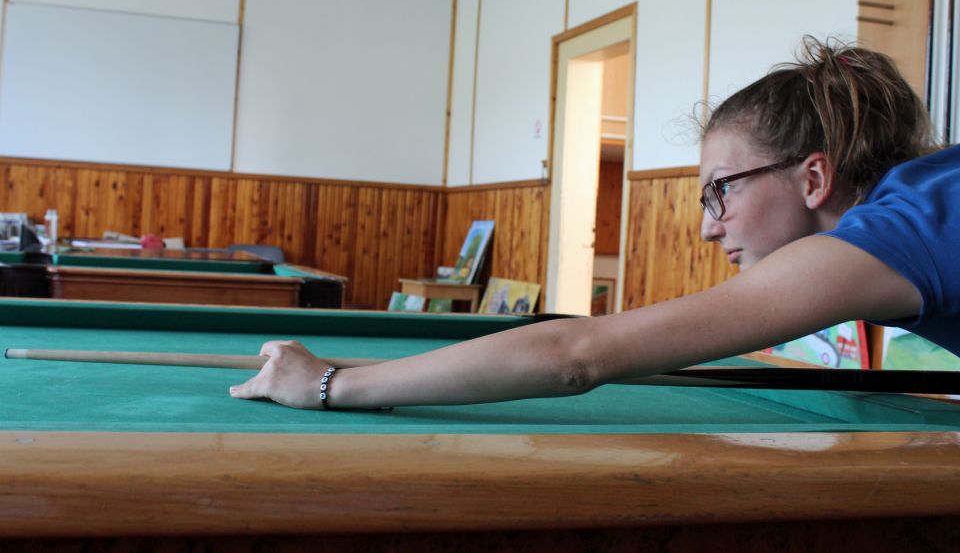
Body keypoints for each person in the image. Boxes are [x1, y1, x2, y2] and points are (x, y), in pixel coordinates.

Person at [230, 38, 959, 409]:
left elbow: (577, 353)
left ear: (813, 178)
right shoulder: (926, 201)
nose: (709, 228)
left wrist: (330, 384)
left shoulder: (897, 231)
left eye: (719, 191)